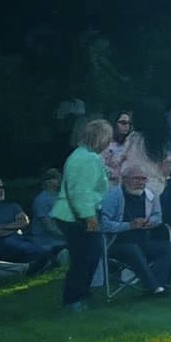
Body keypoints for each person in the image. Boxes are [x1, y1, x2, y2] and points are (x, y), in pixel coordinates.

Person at [52, 117, 114, 311]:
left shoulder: (80, 155)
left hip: (71, 213)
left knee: (85, 257)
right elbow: (81, 191)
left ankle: (79, 297)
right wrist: (89, 217)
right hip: (78, 215)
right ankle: (74, 300)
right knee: (86, 258)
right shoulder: (88, 158)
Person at [97, 164, 171, 296]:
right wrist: (129, 225)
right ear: (125, 179)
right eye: (136, 178)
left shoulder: (150, 195)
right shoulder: (113, 196)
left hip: (143, 240)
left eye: (143, 179)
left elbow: (158, 217)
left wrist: (150, 222)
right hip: (116, 243)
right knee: (133, 249)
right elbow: (103, 224)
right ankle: (153, 287)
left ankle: (158, 284)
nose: (140, 182)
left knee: (168, 247)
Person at [0, 177, 59, 273]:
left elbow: (24, 222)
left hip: (19, 239)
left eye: (2, 188)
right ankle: (44, 263)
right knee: (29, 250)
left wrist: (3, 227)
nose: (1, 190)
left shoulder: (13, 206)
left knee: (34, 248)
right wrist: (15, 227)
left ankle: (46, 262)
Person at [28, 168, 65, 244]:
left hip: (61, 239)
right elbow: (49, 227)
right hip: (46, 241)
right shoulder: (41, 200)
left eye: (60, 177)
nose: (60, 180)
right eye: (56, 178)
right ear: (47, 182)